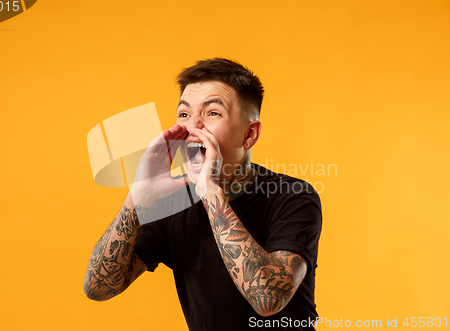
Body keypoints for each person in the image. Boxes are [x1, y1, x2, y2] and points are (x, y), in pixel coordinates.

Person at [83, 58, 322, 330]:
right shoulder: (172, 201)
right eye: (184, 115)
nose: (192, 128)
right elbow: (98, 288)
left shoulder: (293, 197)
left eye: (212, 114)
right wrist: (138, 199)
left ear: (249, 135)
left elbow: (267, 300)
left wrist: (211, 193)